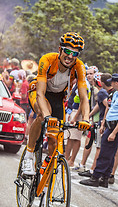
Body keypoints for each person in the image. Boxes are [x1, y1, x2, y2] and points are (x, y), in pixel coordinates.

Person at [22, 32, 90, 175]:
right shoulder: (47, 59)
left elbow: (84, 97)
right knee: (41, 114)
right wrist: (47, 116)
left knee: (54, 141)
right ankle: (28, 156)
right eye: (67, 51)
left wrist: (86, 119)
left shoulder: (79, 67)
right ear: (60, 49)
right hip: (39, 92)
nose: (70, 56)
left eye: (75, 53)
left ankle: (46, 186)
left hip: (58, 98)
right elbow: (40, 93)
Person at [79, 73, 118, 188]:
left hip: (115, 127)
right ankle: (105, 178)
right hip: (110, 125)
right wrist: (104, 124)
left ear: (116, 83)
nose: (110, 83)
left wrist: (113, 133)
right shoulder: (117, 94)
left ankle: (96, 177)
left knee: (105, 153)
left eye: (112, 82)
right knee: (110, 153)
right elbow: (110, 109)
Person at [78, 72, 109, 177]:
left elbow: (106, 106)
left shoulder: (101, 92)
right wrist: (89, 115)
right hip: (97, 120)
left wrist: (103, 121)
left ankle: (93, 170)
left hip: (99, 122)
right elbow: (98, 105)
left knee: (99, 147)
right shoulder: (100, 91)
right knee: (94, 144)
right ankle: (92, 169)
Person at [75, 66, 100, 171]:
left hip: (97, 120)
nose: (89, 76)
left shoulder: (98, 89)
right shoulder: (90, 86)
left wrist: (88, 115)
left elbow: (99, 105)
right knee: (88, 141)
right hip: (93, 119)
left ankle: (92, 168)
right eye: (87, 74)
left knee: (95, 144)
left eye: (91, 73)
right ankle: (83, 164)